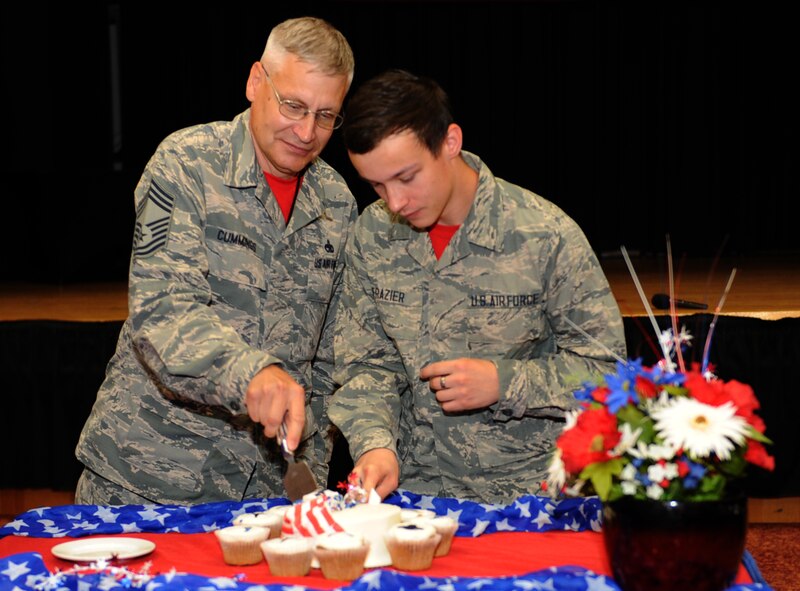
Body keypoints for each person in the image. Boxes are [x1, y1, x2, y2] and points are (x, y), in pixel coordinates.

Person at [74, 17, 357, 505]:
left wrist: (311, 478)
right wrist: (252, 374)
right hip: (151, 481)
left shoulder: (337, 202)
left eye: (326, 115)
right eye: (293, 105)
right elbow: (162, 313)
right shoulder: (186, 164)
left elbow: (327, 361)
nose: (307, 131)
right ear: (255, 82)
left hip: (269, 491)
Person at [329, 69, 627, 503]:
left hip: (532, 497)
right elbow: (366, 365)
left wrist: (505, 382)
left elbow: (609, 372)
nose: (394, 202)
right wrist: (375, 444)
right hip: (415, 497)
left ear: (450, 142)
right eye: (376, 184)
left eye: (406, 177)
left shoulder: (544, 234)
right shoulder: (373, 235)